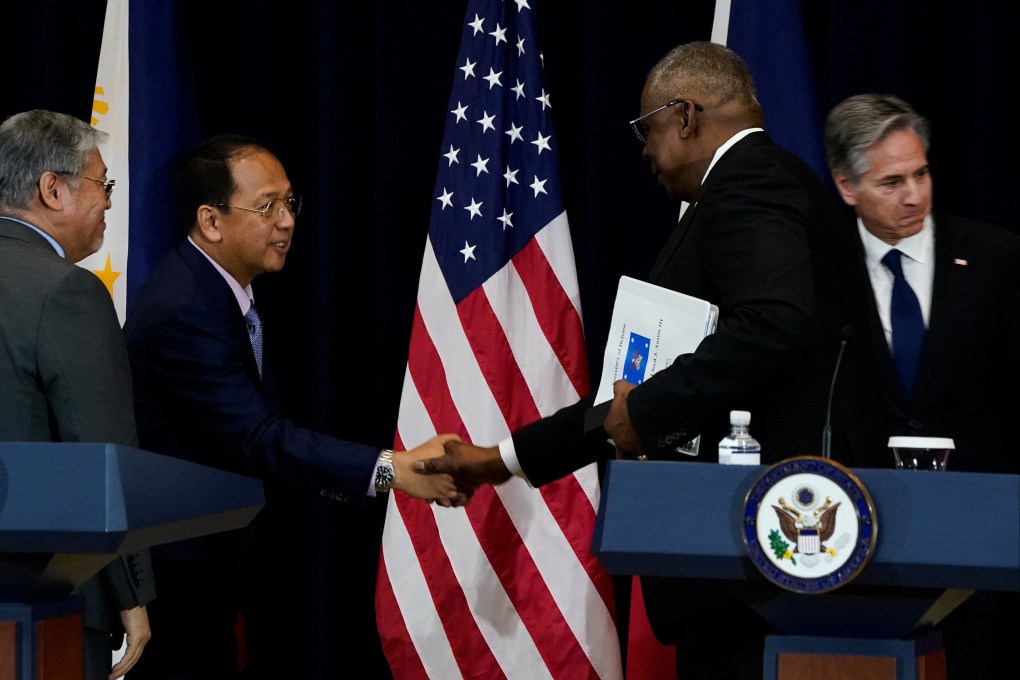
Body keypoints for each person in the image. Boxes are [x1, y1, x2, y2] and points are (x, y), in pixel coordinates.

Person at [418, 41, 850, 679]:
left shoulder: (751, 183)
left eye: (646, 129)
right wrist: (503, 460)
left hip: (754, 561)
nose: (645, 149)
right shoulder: (749, 189)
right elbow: (639, 398)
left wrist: (643, 409)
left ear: (685, 116)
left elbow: (773, 326)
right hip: (733, 562)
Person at [122, 133, 463, 679]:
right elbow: (258, 437)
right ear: (211, 221)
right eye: (267, 206)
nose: (286, 221)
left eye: (290, 203)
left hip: (215, 567)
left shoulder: (218, 290)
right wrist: (389, 469)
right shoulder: (184, 310)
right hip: (180, 580)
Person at [822, 93, 1020, 680]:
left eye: (921, 173)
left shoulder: (994, 258)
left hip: (974, 542)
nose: (914, 195)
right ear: (845, 186)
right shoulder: (821, 271)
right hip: (860, 543)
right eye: (891, 182)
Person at [0, 109, 155, 680]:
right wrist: (132, 595)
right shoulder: (67, 292)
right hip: (41, 610)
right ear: (52, 188)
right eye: (102, 185)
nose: (109, 202)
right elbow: (101, 455)